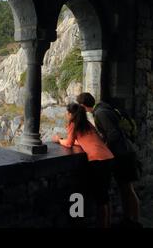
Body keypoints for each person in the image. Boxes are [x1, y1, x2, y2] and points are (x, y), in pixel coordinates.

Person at [77, 92, 141, 228]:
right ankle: (129, 219)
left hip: (123, 154)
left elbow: (113, 134)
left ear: (83, 106)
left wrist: (104, 146)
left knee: (128, 189)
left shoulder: (100, 113)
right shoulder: (103, 108)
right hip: (123, 152)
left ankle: (135, 221)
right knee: (125, 189)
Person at [52, 103, 114, 228]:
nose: (65, 114)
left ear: (70, 114)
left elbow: (69, 144)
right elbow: (89, 139)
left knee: (99, 198)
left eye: (67, 112)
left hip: (97, 160)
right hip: (108, 157)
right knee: (105, 197)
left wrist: (58, 140)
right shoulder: (88, 124)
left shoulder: (73, 124)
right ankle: (107, 224)